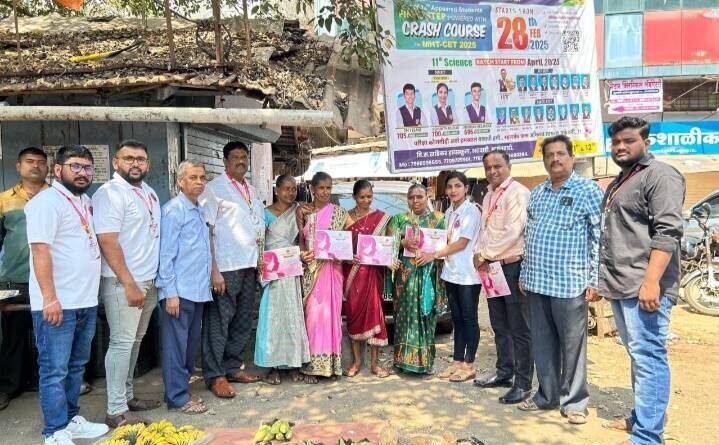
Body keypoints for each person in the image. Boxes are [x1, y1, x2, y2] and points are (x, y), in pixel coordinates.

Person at [599, 117, 685, 445]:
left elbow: (668, 231)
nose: (620, 146)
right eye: (616, 142)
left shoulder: (660, 175)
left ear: (645, 143)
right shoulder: (622, 180)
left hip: (645, 286)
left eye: (629, 140)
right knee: (639, 356)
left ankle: (648, 437)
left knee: (649, 358)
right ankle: (641, 419)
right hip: (622, 284)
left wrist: (651, 282)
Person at [25, 145, 109, 445]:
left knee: (76, 366)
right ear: (58, 169)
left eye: (87, 167)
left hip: (84, 300)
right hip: (57, 304)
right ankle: (54, 431)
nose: (83, 172)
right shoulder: (46, 203)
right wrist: (50, 298)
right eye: (75, 166)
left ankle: (71, 419)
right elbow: (40, 251)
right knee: (54, 369)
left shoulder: (85, 201)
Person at [517, 135, 603, 426]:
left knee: (572, 347)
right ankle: (547, 395)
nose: (554, 159)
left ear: (571, 157)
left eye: (560, 154)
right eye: (549, 155)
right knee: (542, 344)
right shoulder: (538, 193)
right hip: (537, 282)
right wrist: (525, 274)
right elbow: (530, 236)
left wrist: (595, 279)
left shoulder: (588, 190)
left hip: (570, 284)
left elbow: (599, 238)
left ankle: (575, 402)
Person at [93, 140, 162, 427]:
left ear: (148, 164)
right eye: (129, 158)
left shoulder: (148, 192)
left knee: (135, 342)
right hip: (124, 283)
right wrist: (129, 282)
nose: (135, 163)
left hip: (148, 280)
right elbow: (107, 241)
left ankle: (127, 396)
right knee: (121, 344)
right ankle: (115, 410)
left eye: (140, 159)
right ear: (115, 162)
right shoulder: (110, 193)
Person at [200, 141, 263, 400]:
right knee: (219, 321)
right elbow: (207, 231)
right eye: (235, 157)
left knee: (242, 320)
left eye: (244, 157)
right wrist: (213, 270)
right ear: (225, 161)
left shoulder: (252, 189)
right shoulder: (214, 189)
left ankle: (233, 367)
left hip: (249, 264)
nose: (241, 161)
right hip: (225, 267)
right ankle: (215, 375)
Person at [473, 150, 533, 405]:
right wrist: (479, 253)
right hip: (492, 269)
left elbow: (513, 231)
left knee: (519, 327)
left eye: (497, 166)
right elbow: (484, 230)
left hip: (511, 267)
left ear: (509, 166)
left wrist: (484, 254)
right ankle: (504, 373)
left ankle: (523, 383)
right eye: (488, 167)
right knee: (499, 324)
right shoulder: (489, 195)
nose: (492, 171)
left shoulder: (518, 193)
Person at [156, 160, 212, 415]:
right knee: (175, 347)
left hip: (197, 290)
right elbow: (165, 255)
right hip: (179, 292)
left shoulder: (199, 209)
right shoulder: (174, 210)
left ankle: (181, 389)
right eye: (193, 177)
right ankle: (177, 397)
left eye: (202, 177)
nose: (199, 182)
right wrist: (170, 293)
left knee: (188, 346)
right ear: (180, 181)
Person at [0, 147, 48, 412]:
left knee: (55, 331)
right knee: (14, 335)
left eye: (41, 162)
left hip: (50, 278)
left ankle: (63, 382)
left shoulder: (56, 197)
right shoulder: (4, 200)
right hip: (15, 278)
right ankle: (9, 387)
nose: (36, 166)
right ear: (18, 166)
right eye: (30, 161)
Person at [420, 172, 481, 383]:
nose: (453, 190)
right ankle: (457, 362)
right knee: (457, 319)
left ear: (466, 188)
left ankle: (469, 364)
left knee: (469, 318)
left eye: (457, 186)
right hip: (451, 272)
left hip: (468, 275)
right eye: (450, 187)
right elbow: (443, 239)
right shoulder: (448, 212)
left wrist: (434, 254)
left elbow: (462, 243)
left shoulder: (471, 211)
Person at [254, 175, 310, 385]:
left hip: (292, 269)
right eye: (286, 188)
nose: (290, 193)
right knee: (272, 318)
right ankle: (273, 366)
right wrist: (259, 262)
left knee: (292, 317)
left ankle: (294, 364)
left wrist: (303, 255)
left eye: (293, 189)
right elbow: (259, 242)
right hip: (273, 273)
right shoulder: (265, 213)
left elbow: (301, 241)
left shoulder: (299, 211)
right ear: (276, 190)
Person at [296, 172, 349, 383]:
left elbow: (348, 239)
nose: (325, 192)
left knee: (332, 316)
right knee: (313, 317)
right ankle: (311, 366)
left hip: (333, 270)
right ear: (312, 188)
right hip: (312, 271)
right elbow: (299, 241)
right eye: (321, 188)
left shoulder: (339, 213)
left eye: (329, 188)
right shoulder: (303, 212)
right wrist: (302, 254)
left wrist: (343, 254)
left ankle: (331, 365)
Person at [387, 184, 445, 375]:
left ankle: (425, 363)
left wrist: (432, 257)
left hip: (428, 276)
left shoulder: (439, 219)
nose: (416, 201)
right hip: (405, 278)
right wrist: (403, 241)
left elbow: (445, 248)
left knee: (426, 315)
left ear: (427, 197)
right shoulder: (399, 219)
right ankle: (401, 362)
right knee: (403, 317)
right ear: (407, 200)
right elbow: (388, 243)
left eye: (419, 197)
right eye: (411, 197)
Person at [343, 180, 391, 378]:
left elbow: (387, 245)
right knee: (353, 315)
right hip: (352, 273)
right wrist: (347, 256)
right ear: (354, 197)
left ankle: (374, 364)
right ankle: (356, 362)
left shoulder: (381, 218)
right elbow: (339, 246)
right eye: (362, 197)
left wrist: (387, 258)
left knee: (375, 315)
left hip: (372, 273)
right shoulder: (345, 217)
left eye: (369, 196)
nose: (366, 200)